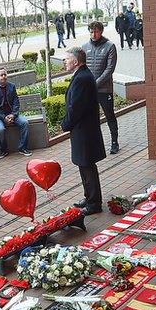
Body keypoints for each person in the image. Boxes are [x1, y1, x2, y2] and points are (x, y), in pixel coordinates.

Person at [61, 47, 105, 216]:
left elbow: (76, 108)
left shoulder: (82, 78)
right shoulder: (82, 75)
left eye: (67, 59)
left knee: (87, 166)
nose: (65, 61)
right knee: (84, 165)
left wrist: (65, 125)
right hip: (83, 130)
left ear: (76, 61)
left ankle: (94, 203)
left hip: (84, 131)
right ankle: (89, 197)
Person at [83, 21, 120, 154]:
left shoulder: (110, 46)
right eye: (91, 32)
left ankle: (114, 142)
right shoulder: (85, 46)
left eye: (96, 31)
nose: (94, 34)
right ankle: (93, 144)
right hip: (90, 90)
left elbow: (110, 68)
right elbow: (83, 67)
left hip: (104, 89)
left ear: (101, 31)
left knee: (110, 115)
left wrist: (96, 83)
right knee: (91, 118)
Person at [0, 68, 31, 159]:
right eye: (1, 75)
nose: (4, 77)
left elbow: (16, 102)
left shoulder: (12, 86)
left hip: (11, 114)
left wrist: (13, 115)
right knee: (1, 129)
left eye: (5, 75)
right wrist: (4, 117)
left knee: (24, 123)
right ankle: (4, 150)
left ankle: (23, 148)